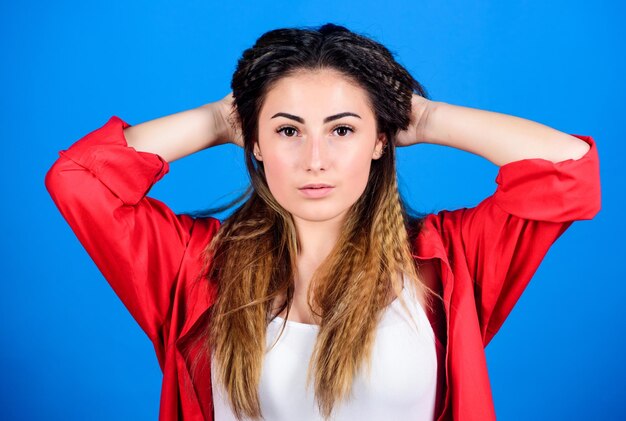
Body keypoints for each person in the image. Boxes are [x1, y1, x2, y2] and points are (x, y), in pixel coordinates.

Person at [44, 23, 601, 421]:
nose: (316, 159)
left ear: (381, 139)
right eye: (288, 130)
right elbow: (78, 180)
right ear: (254, 142)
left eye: (342, 129)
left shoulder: (447, 263)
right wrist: (218, 117)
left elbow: (568, 172)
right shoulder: (194, 269)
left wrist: (425, 115)